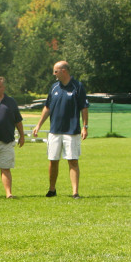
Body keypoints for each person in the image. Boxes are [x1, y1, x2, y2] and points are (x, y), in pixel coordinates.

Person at [32, 61, 89, 198]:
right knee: (53, 160)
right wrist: (39, 124)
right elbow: (47, 107)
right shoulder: (54, 87)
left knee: (73, 161)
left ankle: (75, 192)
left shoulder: (78, 86)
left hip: (72, 131)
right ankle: (52, 189)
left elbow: (84, 108)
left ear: (64, 71)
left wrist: (85, 127)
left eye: (56, 71)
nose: (54, 74)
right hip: (55, 131)